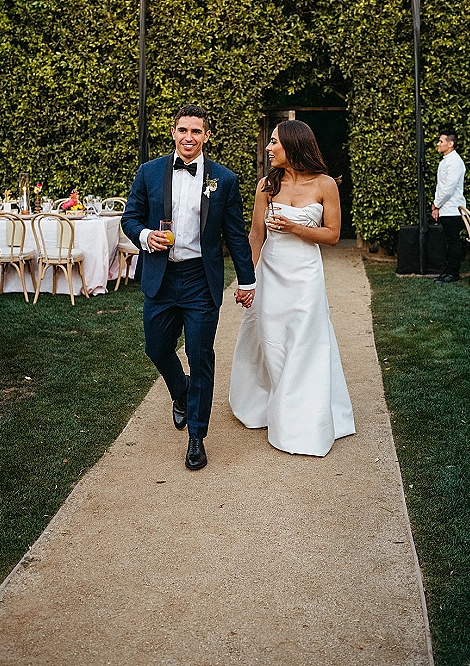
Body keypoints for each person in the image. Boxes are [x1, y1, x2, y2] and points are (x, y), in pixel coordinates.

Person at [122, 104, 256, 471]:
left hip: (200, 279)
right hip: (161, 277)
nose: (189, 138)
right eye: (183, 130)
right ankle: (181, 391)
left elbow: (235, 234)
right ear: (173, 132)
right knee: (156, 347)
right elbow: (129, 218)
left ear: (206, 136)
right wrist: (147, 236)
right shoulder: (149, 172)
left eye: (196, 131)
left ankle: (196, 437)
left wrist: (248, 278)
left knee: (200, 355)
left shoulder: (223, 179)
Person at [229, 119, 355, 457]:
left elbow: (332, 236)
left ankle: (300, 419)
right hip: (271, 271)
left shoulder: (325, 184)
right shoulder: (265, 187)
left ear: (293, 146)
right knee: (273, 339)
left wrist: (295, 228)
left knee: (305, 340)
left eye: (274, 143)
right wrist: (247, 279)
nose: (268, 149)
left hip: (306, 275)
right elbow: (256, 236)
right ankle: (270, 403)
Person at [431, 129, 466, 283]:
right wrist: (437, 207)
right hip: (445, 209)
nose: (438, 144)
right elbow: (441, 187)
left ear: (450, 144)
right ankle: (448, 271)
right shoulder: (445, 161)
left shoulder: (455, 162)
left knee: (453, 242)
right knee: (449, 241)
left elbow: (449, 188)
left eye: (441, 141)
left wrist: (436, 204)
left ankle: (453, 273)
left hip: (453, 209)